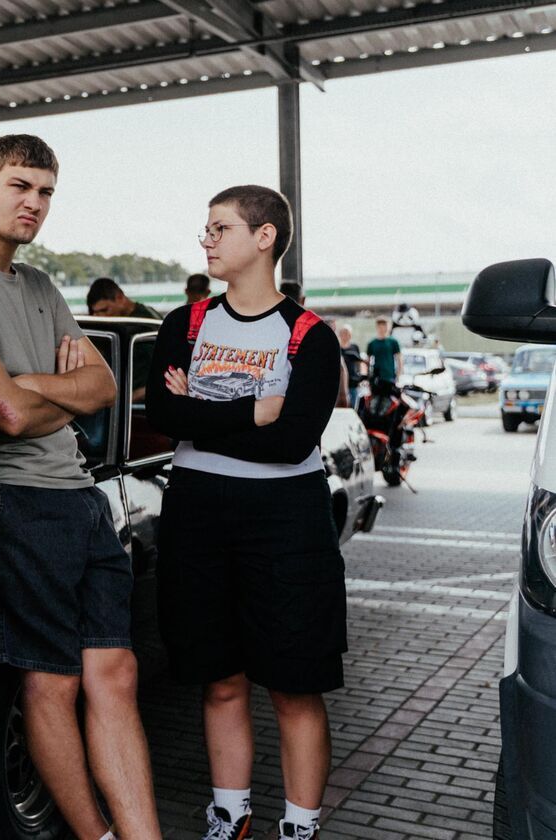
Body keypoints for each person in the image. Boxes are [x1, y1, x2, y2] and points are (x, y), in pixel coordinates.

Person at [0, 135, 161, 840]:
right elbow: (4, 414)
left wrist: (32, 388)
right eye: (20, 186)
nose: (33, 203)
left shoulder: (41, 286)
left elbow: (107, 385)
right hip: (15, 501)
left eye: (46, 192)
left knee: (115, 675)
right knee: (50, 685)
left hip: (81, 498)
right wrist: (53, 394)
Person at [146, 185, 345, 840]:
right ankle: (229, 816)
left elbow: (291, 441)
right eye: (205, 228)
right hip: (198, 512)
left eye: (220, 227)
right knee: (219, 679)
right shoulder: (186, 323)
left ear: (264, 238)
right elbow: (163, 416)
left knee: (292, 685)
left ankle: (299, 825)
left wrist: (201, 418)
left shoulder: (309, 337)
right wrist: (252, 411)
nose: (206, 239)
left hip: (286, 517)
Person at [86, 276, 162, 319]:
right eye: (94, 313)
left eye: (105, 310)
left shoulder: (143, 321)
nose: (99, 317)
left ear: (120, 298)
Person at [367, 317, 403, 387]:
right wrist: (368, 377)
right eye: (380, 326)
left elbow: (399, 360)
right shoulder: (372, 343)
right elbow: (368, 361)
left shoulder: (393, 342)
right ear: (377, 327)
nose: (382, 329)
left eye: (385, 326)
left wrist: (398, 376)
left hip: (390, 377)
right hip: (376, 378)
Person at [339, 324, 365, 409]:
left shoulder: (355, 347)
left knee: (353, 408)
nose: (345, 335)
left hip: (353, 383)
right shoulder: (337, 348)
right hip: (340, 385)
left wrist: (360, 377)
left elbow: (359, 363)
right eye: (343, 333)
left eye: (347, 333)